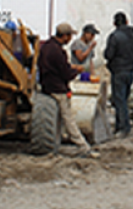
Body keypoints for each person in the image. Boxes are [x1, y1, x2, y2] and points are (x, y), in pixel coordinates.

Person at [38, 22, 96, 158]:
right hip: (58, 88)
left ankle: (54, 143)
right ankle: (83, 147)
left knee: (55, 119)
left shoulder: (45, 47)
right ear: (64, 36)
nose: (70, 39)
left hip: (46, 86)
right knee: (68, 119)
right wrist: (76, 71)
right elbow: (65, 73)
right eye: (69, 36)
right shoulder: (59, 52)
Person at [104, 11, 133, 137]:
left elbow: (108, 55)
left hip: (118, 71)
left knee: (119, 100)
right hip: (130, 71)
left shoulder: (114, 37)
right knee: (124, 99)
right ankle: (121, 125)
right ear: (127, 22)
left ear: (114, 23)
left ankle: (123, 127)